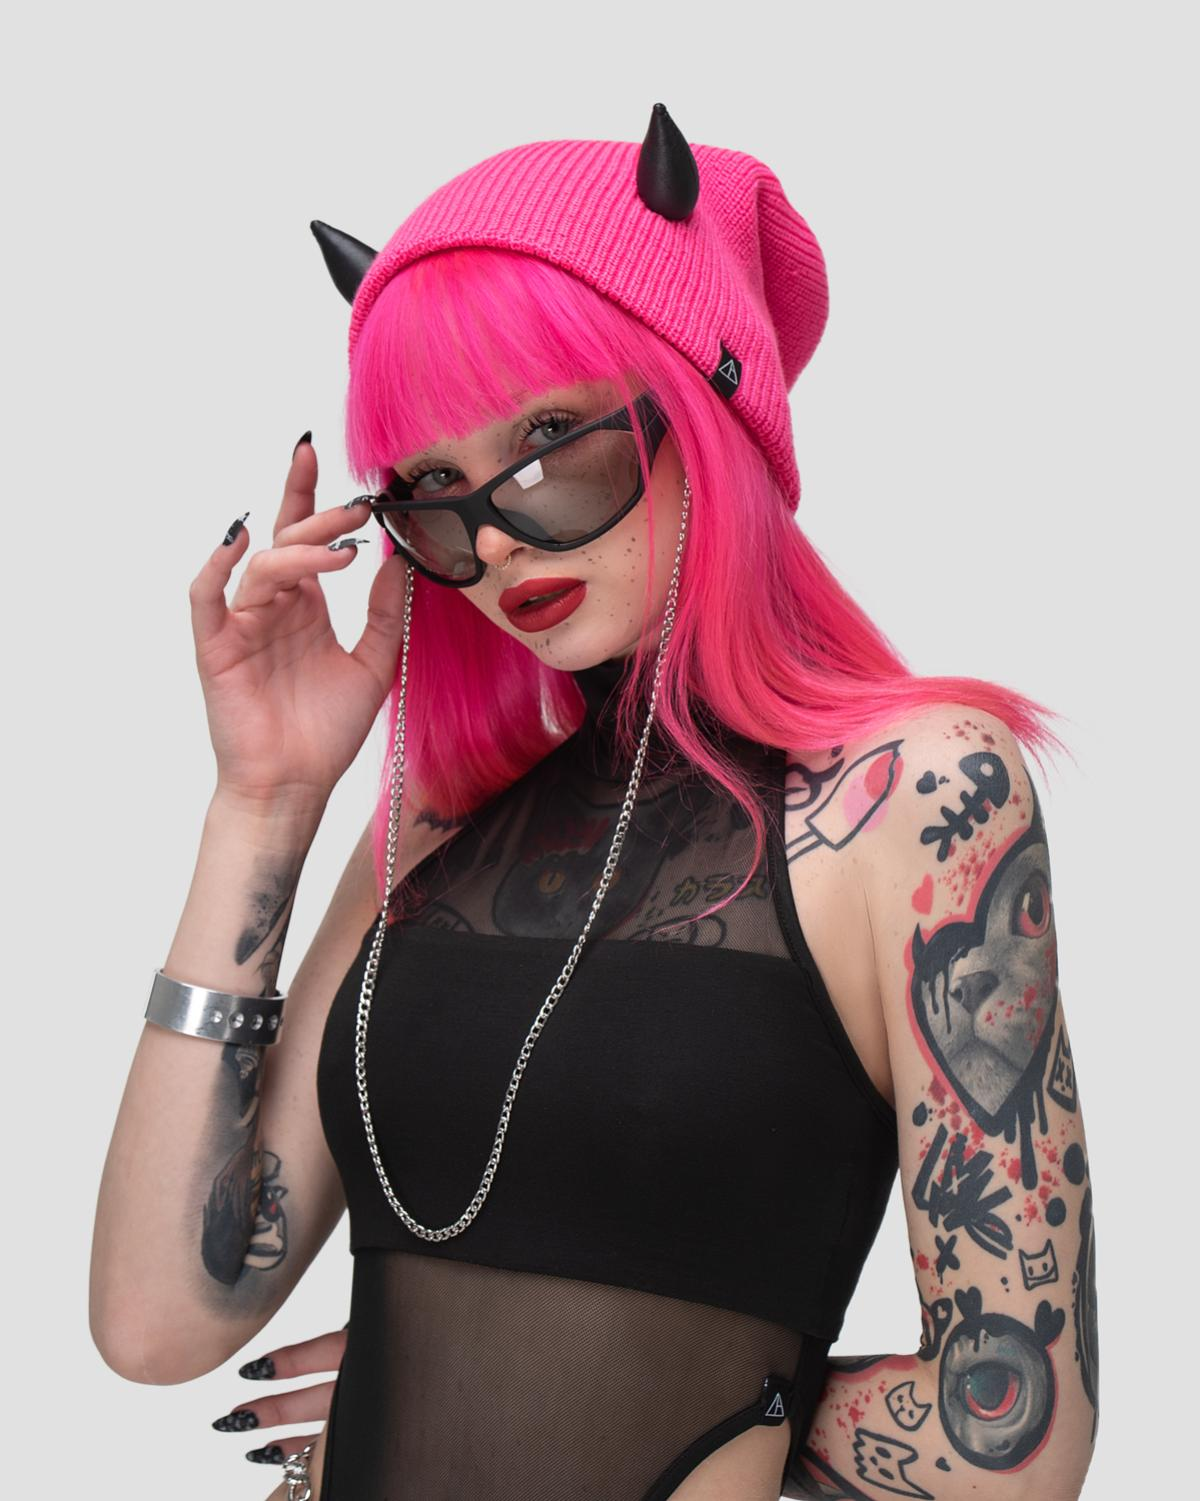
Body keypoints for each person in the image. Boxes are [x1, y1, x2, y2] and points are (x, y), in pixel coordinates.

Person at [90, 105, 1099, 1500]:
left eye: (555, 442)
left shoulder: (915, 795)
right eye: (436, 491)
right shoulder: (441, 825)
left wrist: (572, 1392)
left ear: (707, 412)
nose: (497, 536)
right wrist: (263, 802)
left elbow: (1014, 1441)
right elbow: (159, 1319)